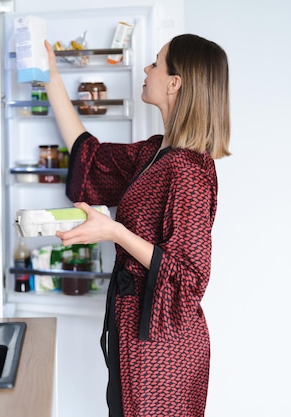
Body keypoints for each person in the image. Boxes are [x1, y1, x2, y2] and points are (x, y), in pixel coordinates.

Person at [43, 33, 230, 417]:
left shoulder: (190, 170)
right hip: (134, 329)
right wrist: (51, 79)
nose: (146, 69)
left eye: (156, 63)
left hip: (163, 342)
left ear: (175, 82)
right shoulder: (154, 153)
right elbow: (89, 159)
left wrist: (113, 231)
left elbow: (191, 277)